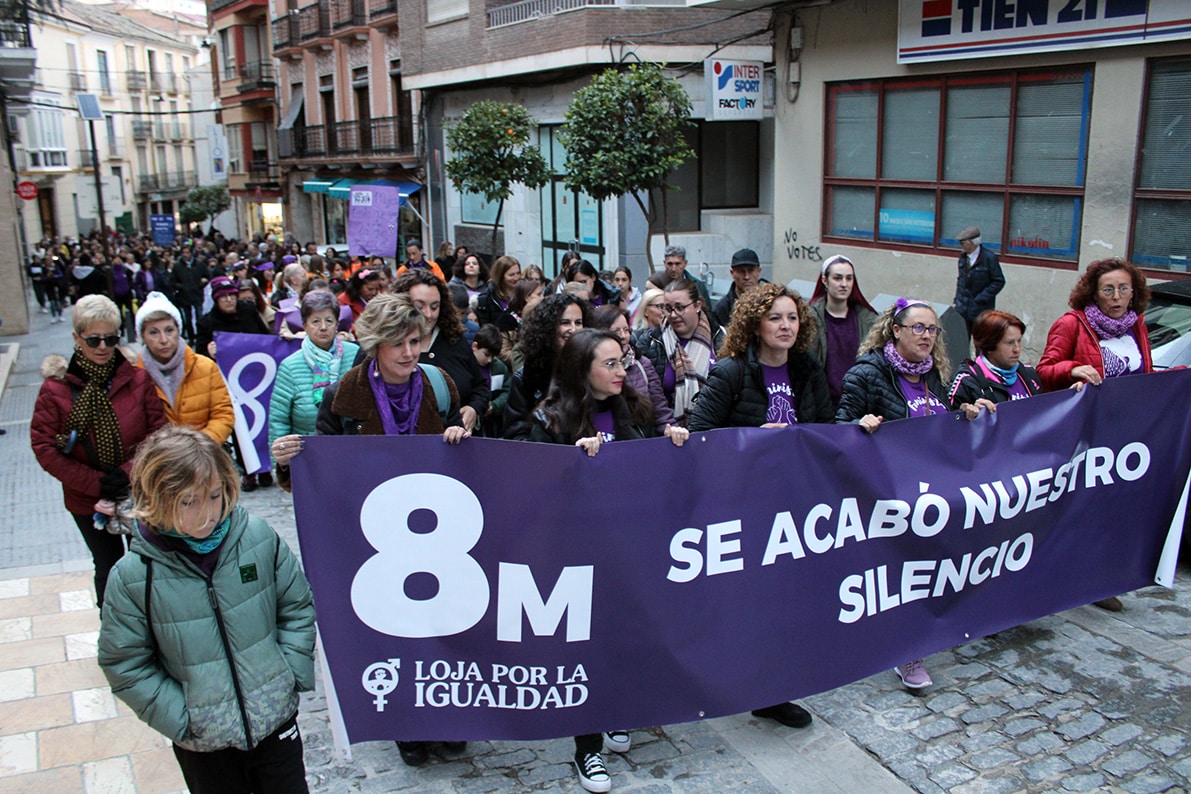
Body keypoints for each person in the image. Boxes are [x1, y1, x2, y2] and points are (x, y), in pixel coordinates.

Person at [97, 426, 316, 794]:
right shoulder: (135, 575)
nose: (207, 513)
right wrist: (182, 719)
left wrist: (288, 674)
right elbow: (125, 663)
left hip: (275, 722)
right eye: (189, 502)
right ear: (157, 497)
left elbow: (295, 606)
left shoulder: (258, 539)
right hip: (203, 743)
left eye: (214, 496)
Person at [523, 328, 687, 793]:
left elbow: (649, 469)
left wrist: (671, 442)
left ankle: (615, 710)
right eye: (610, 363)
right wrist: (570, 464)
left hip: (627, 550)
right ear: (582, 369)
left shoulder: (631, 406)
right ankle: (587, 747)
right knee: (586, 649)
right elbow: (532, 490)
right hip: (575, 556)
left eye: (623, 361)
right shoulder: (550, 419)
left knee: (623, 641)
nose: (621, 371)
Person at [687, 283, 830, 728]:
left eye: (792, 318)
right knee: (743, 603)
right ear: (754, 324)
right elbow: (699, 435)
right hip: (742, 506)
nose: (786, 326)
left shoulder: (807, 368)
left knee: (785, 603)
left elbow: (827, 427)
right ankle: (724, 679)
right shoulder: (731, 372)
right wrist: (752, 442)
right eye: (775, 318)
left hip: (794, 504)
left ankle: (772, 692)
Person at [836, 298, 994, 691]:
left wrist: (966, 412)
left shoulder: (933, 374)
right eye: (918, 328)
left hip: (933, 491)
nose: (927, 336)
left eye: (933, 329)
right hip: (889, 495)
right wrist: (860, 424)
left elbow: (940, 419)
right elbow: (838, 428)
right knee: (905, 574)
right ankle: (908, 651)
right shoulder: (866, 374)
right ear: (896, 330)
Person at [31, 295, 168, 607]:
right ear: (77, 338)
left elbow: (158, 433)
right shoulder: (55, 389)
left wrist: (127, 473)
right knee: (107, 566)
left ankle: (151, 626)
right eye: (94, 339)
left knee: (147, 564)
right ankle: (115, 630)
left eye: (110, 338)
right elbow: (45, 448)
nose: (103, 347)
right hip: (86, 499)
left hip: (137, 491)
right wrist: (97, 484)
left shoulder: (137, 378)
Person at [269, 291, 361, 483]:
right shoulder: (290, 366)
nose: (323, 327)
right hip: (307, 458)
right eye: (316, 321)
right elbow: (279, 420)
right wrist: (281, 463)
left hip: (352, 453)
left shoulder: (356, 355)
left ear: (337, 323)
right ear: (304, 325)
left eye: (329, 320)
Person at [392, 269, 491, 435]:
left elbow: (480, 386)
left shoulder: (454, 340)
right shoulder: (384, 347)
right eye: (419, 306)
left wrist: (474, 409)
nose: (428, 315)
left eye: (434, 307)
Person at [1037, 257, 1153, 391]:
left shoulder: (1138, 325)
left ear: (1132, 293)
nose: (1116, 296)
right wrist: (1072, 370)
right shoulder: (1071, 323)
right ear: (1095, 295)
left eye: (1123, 289)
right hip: (1090, 404)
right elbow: (1042, 373)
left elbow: (1148, 376)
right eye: (1108, 290)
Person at [135, 292, 235, 445]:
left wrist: (198, 446)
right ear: (143, 336)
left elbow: (223, 414)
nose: (163, 340)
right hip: (160, 455)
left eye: (169, 330)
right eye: (154, 332)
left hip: (205, 451)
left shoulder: (206, 367)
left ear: (178, 330)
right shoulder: (134, 376)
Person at [636, 280, 725, 427]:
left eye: (680, 308)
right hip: (668, 431)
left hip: (714, 431)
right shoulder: (650, 342)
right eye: (668, 308)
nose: (673, 315)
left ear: (697, 306)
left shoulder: (721, 338)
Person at [504, 293, 590, 439]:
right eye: (565, 322)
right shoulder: (525, 377)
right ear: (548, 327)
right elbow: (516, 435)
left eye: (578, 322)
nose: (573, 329)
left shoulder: (592, 370)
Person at [590, 305, 681, 439]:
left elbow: (660, 409)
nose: (623, 336)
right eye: (615, 331)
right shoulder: (589, 367)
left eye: (626, 330)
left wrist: (672, 430)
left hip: (639, 443)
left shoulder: (642, 364)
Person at [808, 254, 879, 408]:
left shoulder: (868, 321)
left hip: (859, 405)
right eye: (837, 278)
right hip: (822, 405)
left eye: (849, 278)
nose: (844, 284)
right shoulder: (810, 319)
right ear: (825, 280)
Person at [948, 310, 1042, 407]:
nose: (1017, 349)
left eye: (1019, 341)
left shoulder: (1028, 374)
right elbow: (950, 415)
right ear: (989, 345)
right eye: (1010, 343)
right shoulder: (966, 381)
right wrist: (969, 413)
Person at [953, 226, 1005, 349]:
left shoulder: (989, 258)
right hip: (963, 308)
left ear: (971, 243)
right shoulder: (963, 257)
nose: (961, 246)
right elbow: (961, 280)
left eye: (963, 243)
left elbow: (998, 281)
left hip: (981, 309)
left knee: (981, 344)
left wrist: (981, 298)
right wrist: (957, 300)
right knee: (961, 342)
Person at [646, 245, 714, 328]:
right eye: (670, 264)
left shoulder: (697, 285)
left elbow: (708, 314)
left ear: (685, 263)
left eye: (678, 264)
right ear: (664, 263)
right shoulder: (656, 284)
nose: (673, 268)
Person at [712, 248, 768, 328]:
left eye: (751, 270)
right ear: (732, 273)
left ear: (759, 271)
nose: (746, 277)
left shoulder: (769, 302)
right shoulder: (722, 309)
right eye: (741, 271)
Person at [471, 324, 510, 437]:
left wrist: (494, 405)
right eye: (486, 354)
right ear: (475, 346)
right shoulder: (464, 365)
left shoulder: (499, 368)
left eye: (493, 356)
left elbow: (507, 391)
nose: (489, 360)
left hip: (493, 426)